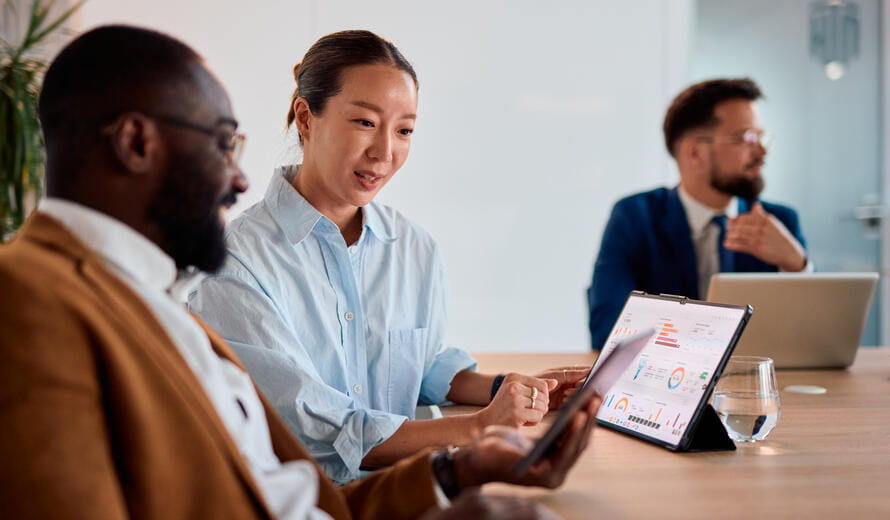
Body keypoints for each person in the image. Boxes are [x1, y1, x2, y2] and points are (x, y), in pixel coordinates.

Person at [0, 24, 601, 520]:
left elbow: (292, 501)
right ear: (135, 143)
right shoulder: (28, 297)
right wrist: (466, 438)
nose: (238, 182)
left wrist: (459, 469)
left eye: (405, 129)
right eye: (221, 145)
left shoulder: (153, 298)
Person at [188, 30, 589, 484]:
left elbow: (423, 366)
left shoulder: (412, 247)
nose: (384, 152)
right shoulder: (232, 262)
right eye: (364, 122)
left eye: (404, 130)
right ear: (305, 117)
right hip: (305, 503)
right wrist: (478, 427)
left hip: (405, 490)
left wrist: (521, 390)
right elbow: (320, 430)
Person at [587, 78, 809, 350]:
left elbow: (814, 338)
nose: (762, 151)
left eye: (762, 137)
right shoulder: (635, 217)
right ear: (694, 152)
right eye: (747, 138)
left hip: (755, 386)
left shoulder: (779, 222)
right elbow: (607, 330)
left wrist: (797, 265)